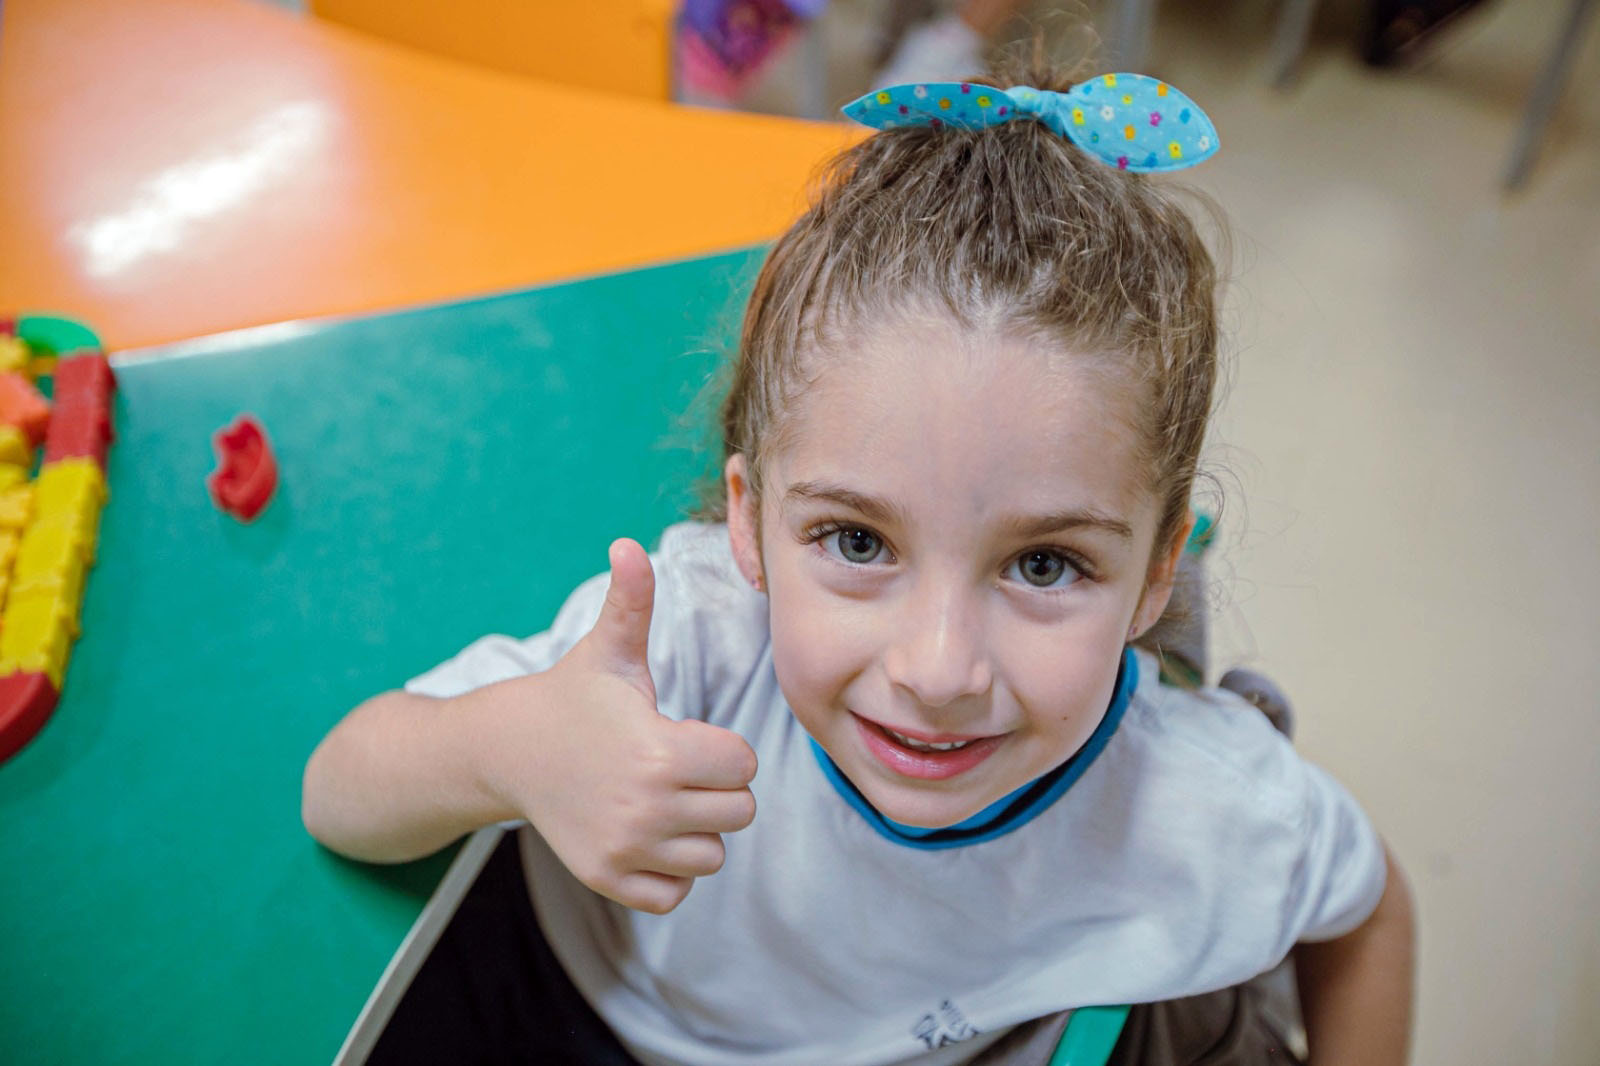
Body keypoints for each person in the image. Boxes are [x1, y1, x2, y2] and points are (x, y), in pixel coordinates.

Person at [302, 57, 1416, 1066]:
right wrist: (512, 746)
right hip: (554, 999)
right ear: (746, 521)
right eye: (857, 542)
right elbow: (339, 793)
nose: (938, 670)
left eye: (1043, 565)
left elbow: (1366, 914)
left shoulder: (1196, 801)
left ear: (1159, 569)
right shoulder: (680, 641)